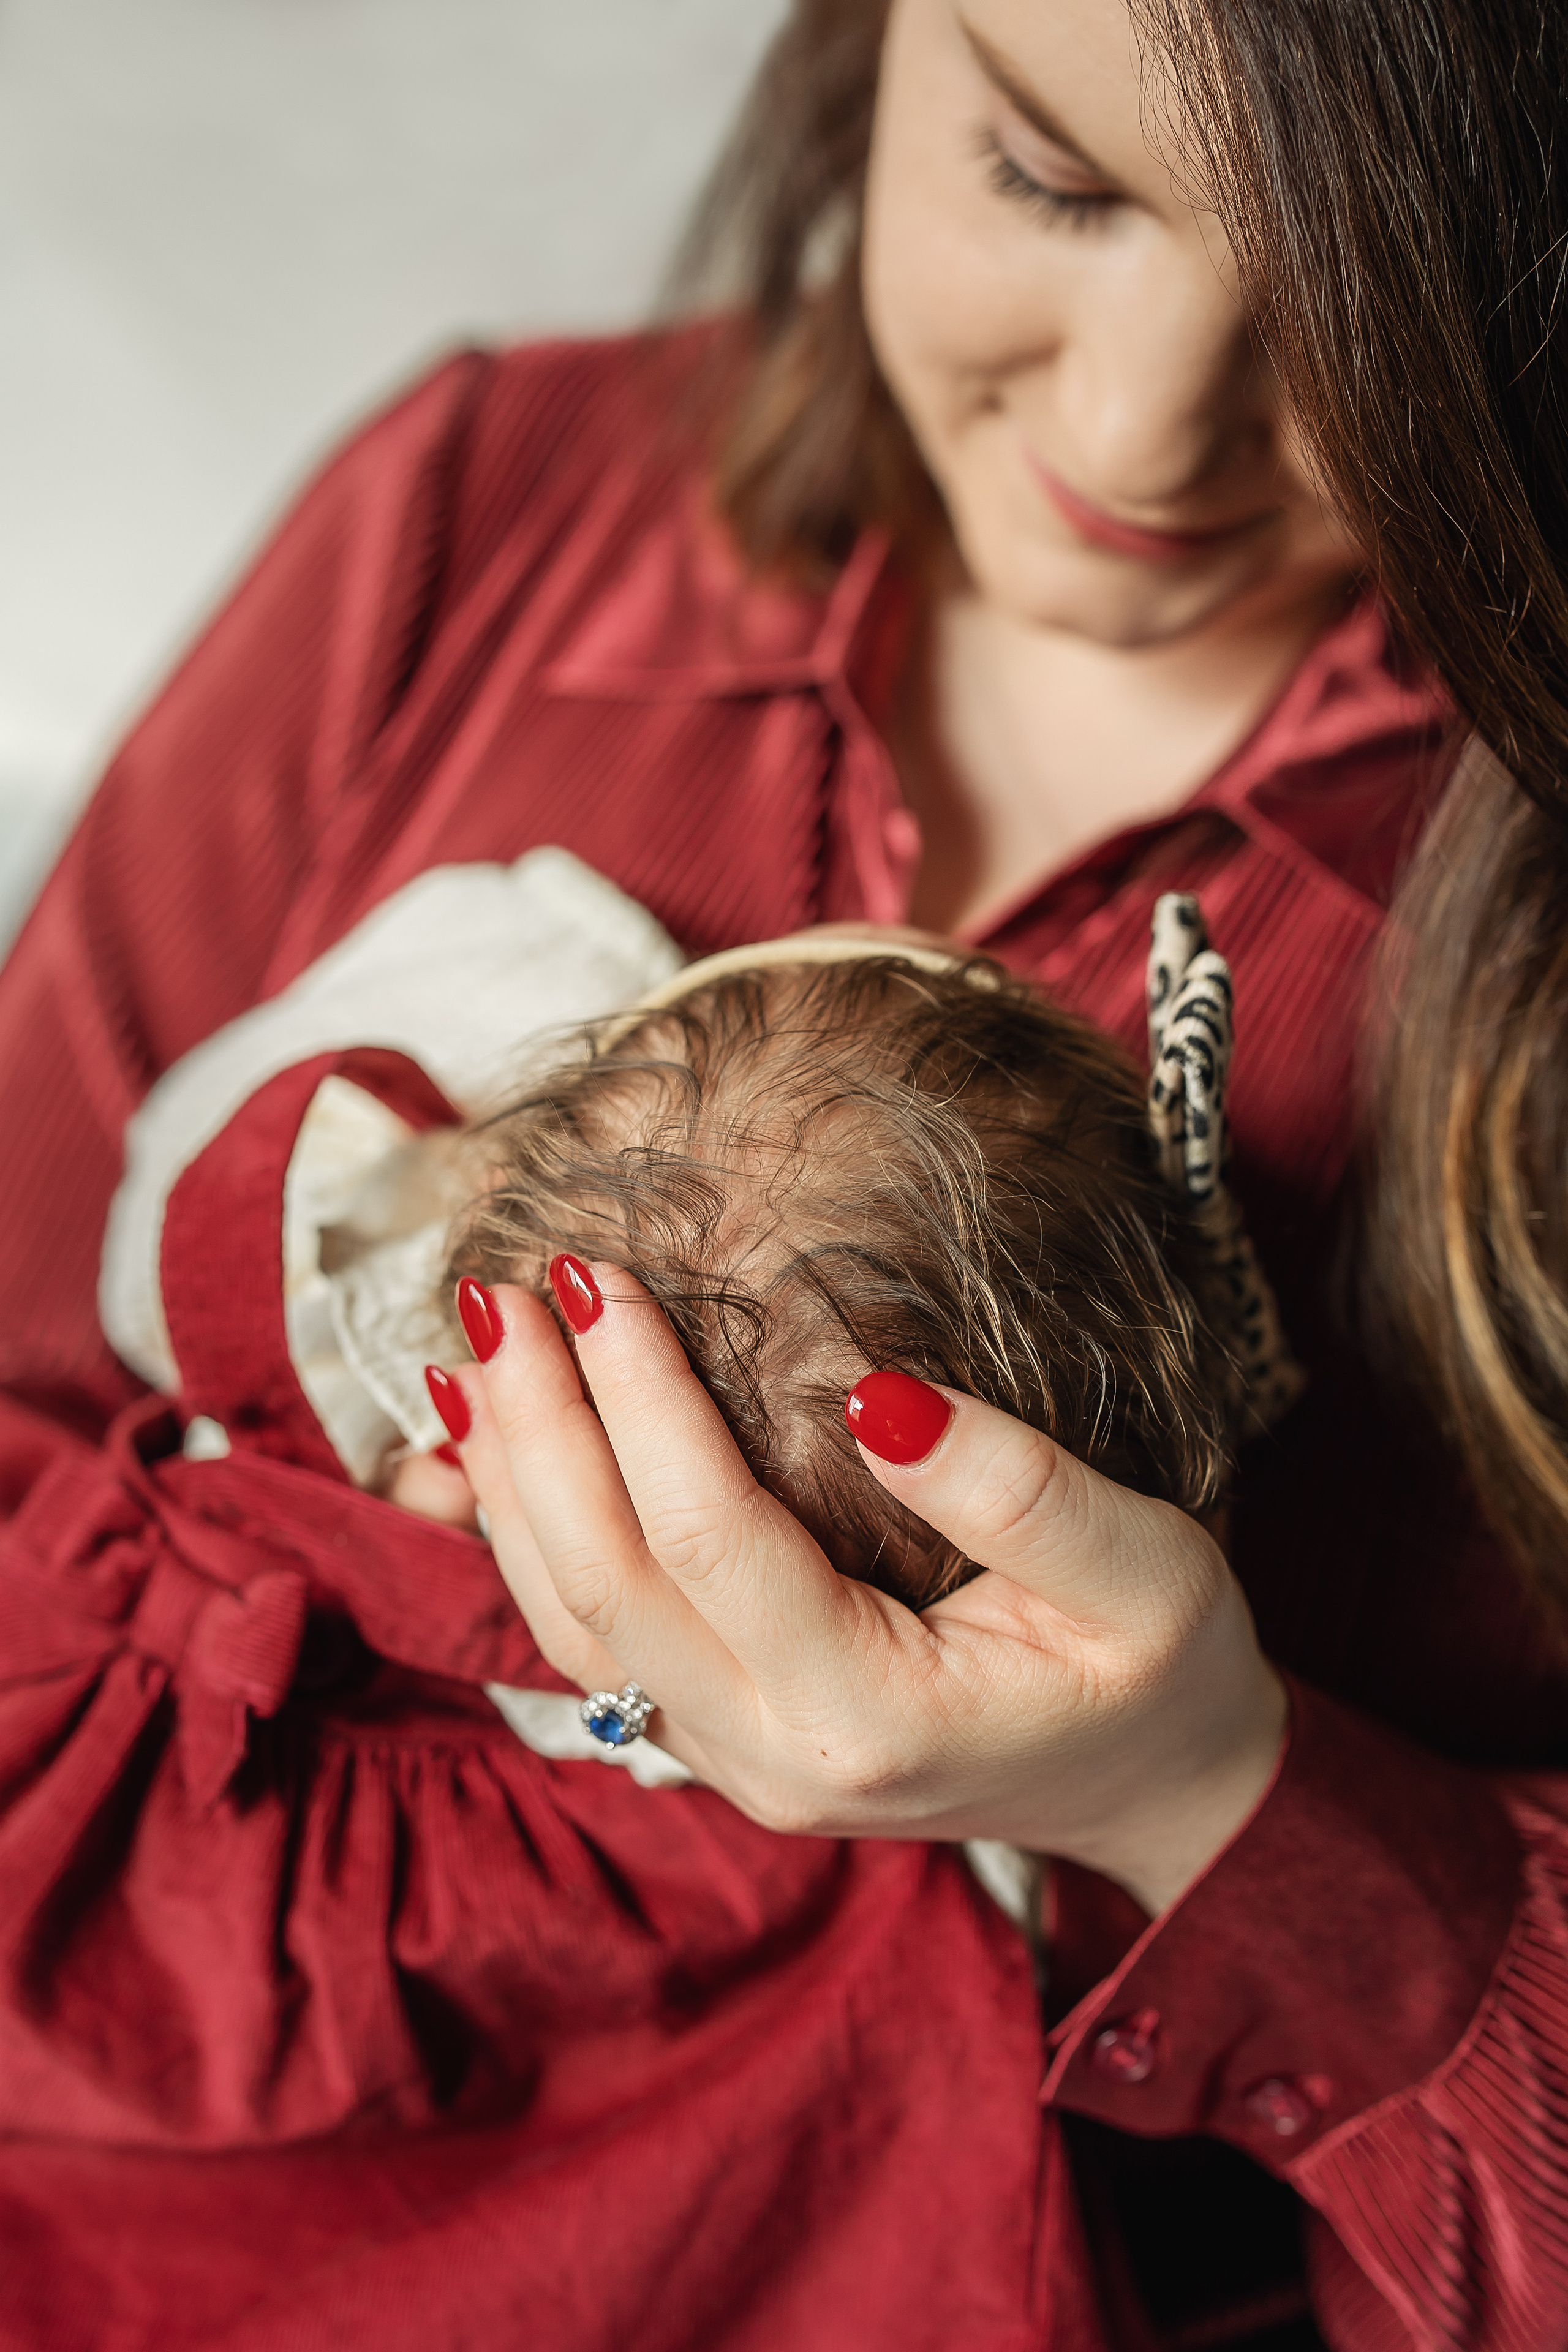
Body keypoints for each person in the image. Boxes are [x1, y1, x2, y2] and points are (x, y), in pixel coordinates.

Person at [0, 0, 1562, 2343]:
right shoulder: (488, 509)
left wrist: (1210, 1799)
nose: (1139, 433)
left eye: (1383, 294)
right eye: (1050, 178)